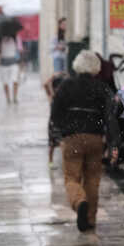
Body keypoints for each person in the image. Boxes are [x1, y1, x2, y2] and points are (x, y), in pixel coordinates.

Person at [49, 51, 119, 231]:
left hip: (72, 139)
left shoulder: (66, 86)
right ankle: (90, 220)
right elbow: (110, 118)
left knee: (72, 178)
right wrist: (113, 143)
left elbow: (55, 113)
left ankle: (79, 202)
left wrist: (59, 134)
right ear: (96, 68)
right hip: (95, 139)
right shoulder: (102, 88)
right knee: (92, 180)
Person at [0, 32, 23, 104]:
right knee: (5, 82)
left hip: (14, 62)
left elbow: (20, 49)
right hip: (3, 63)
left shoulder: (15, 37)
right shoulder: (0, 37)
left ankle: (14, 97)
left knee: (15, 80)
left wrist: (21, 61)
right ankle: (8, 98)